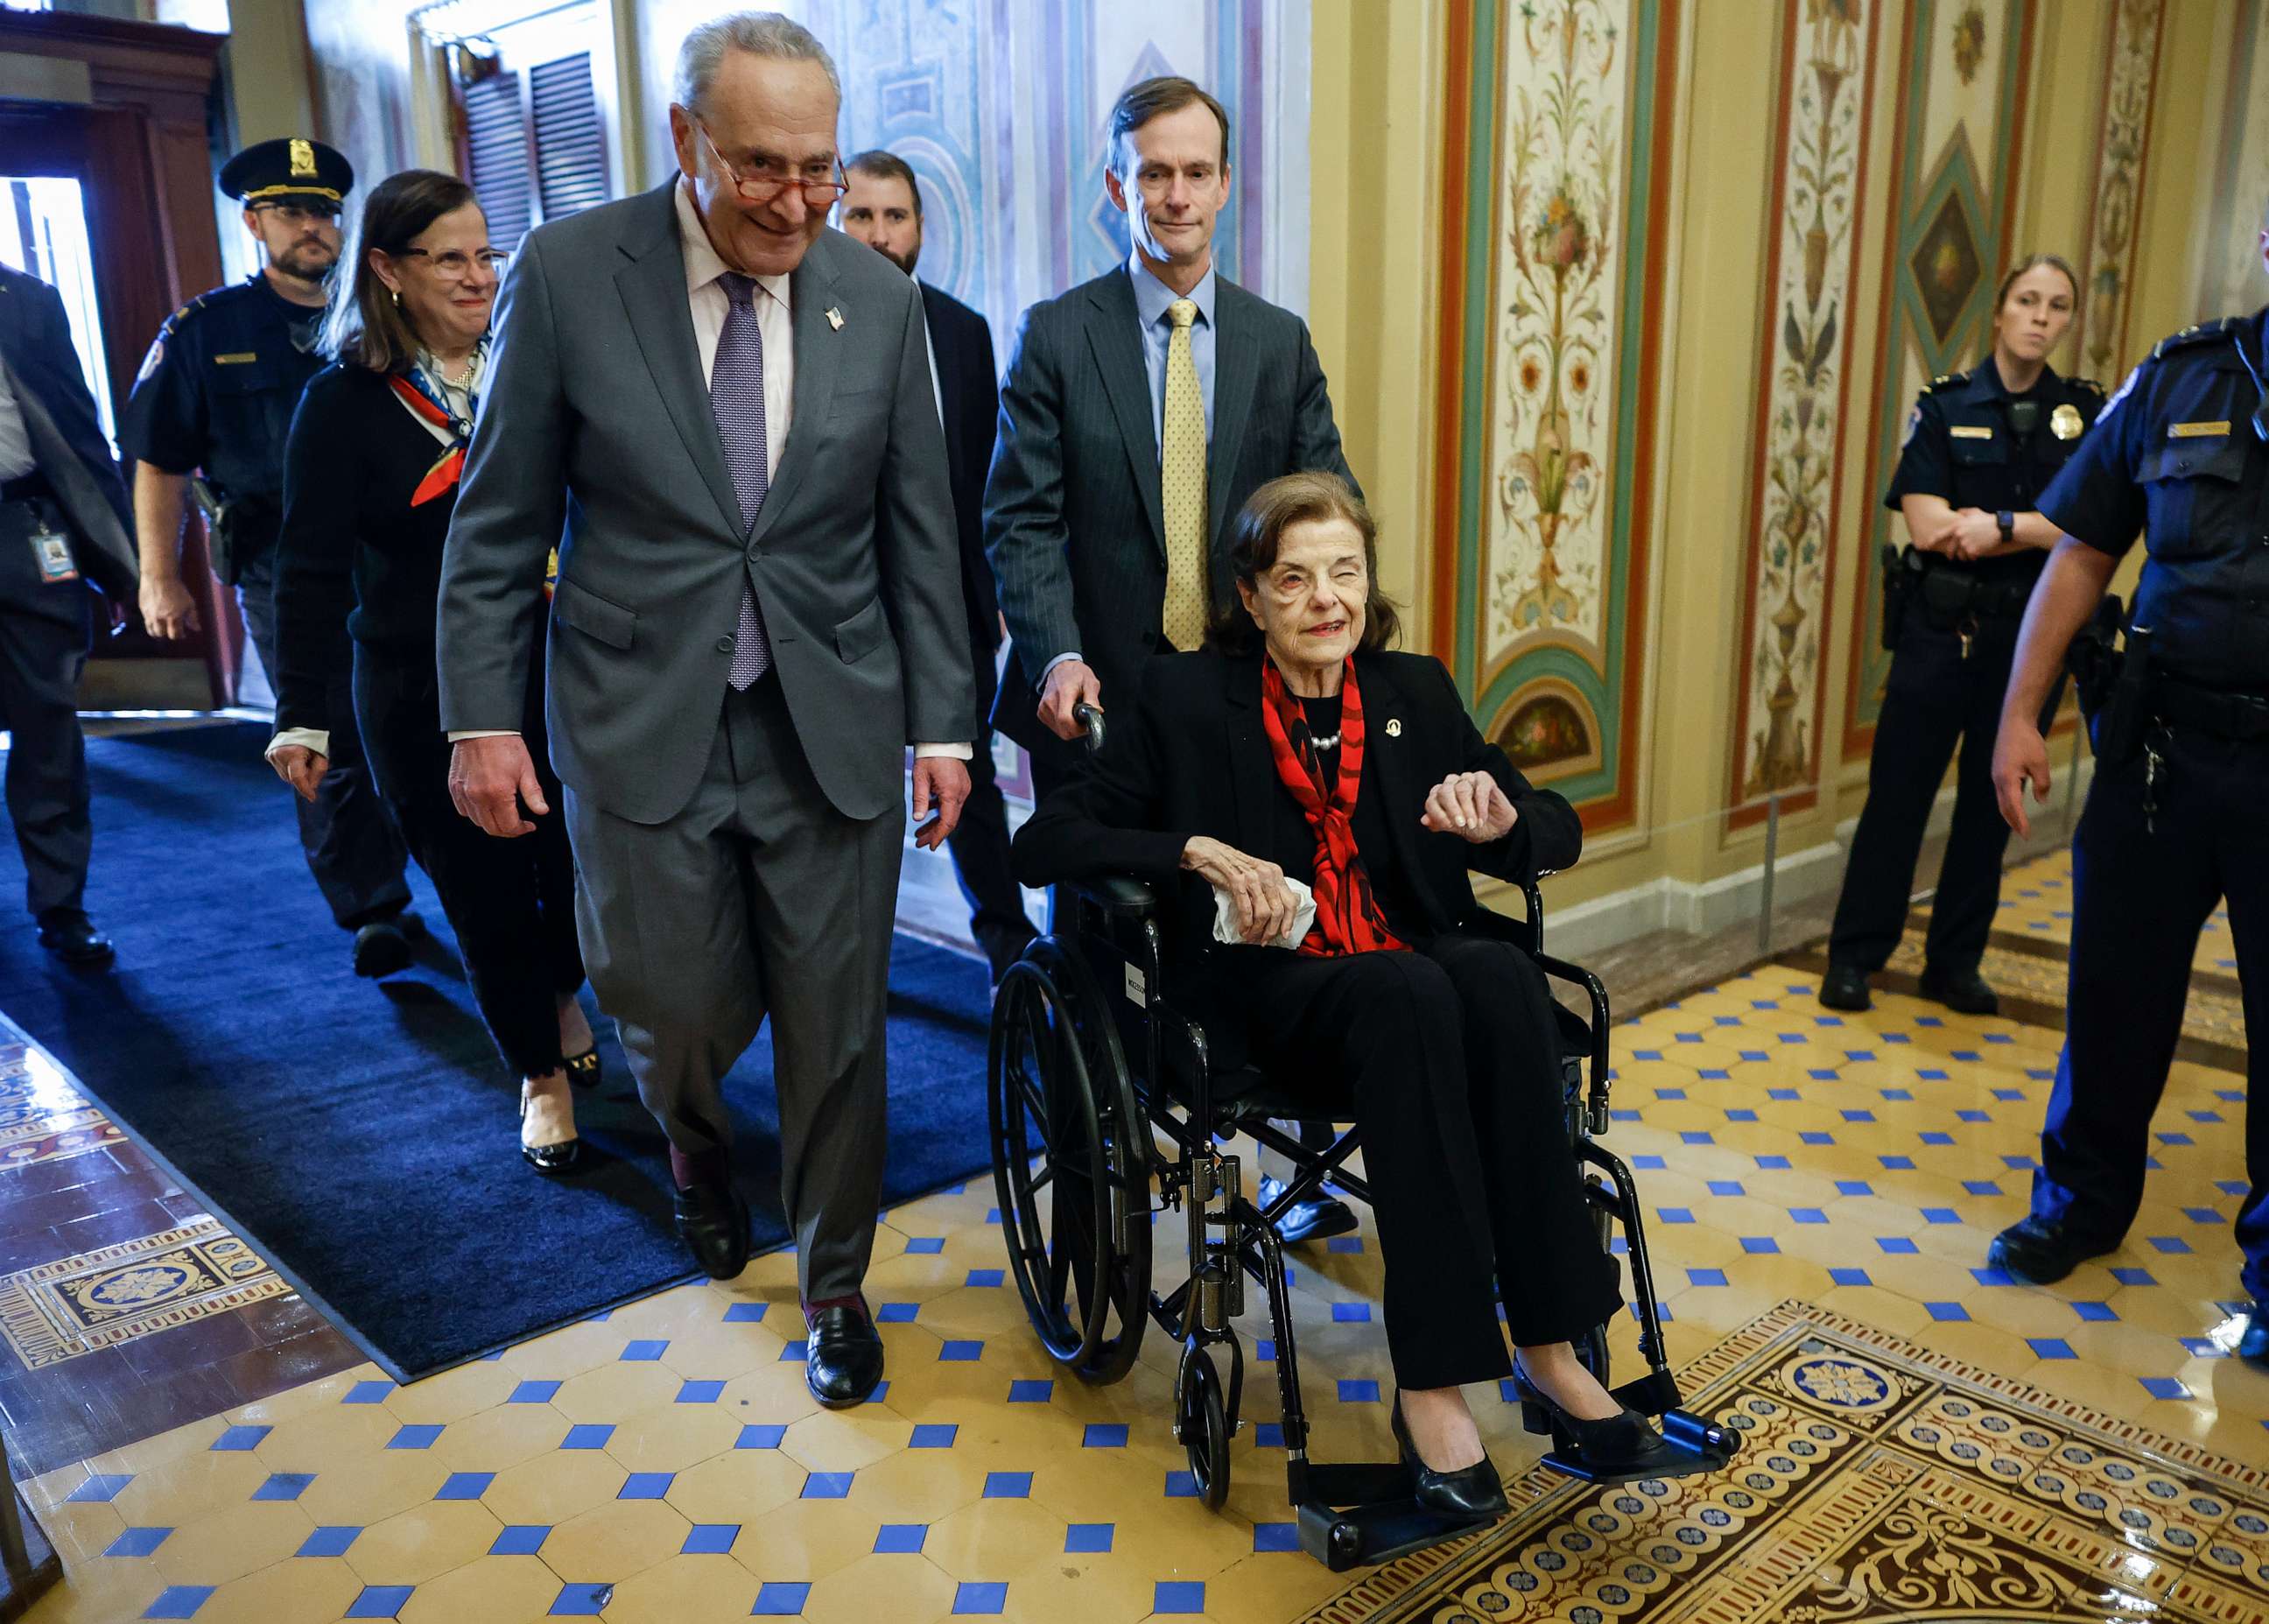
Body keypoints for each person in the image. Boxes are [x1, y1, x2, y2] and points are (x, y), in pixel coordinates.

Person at [438, 12, 975, 1411]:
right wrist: (480, 718)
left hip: (831, 716)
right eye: (763, 168)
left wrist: (946, 724)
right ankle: (691, 1138)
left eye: (821, 167)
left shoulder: (878, 296)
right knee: (670, 1003)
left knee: (838, 1019)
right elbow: (496, 524)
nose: (799, 201)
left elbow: (921, 531)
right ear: (687, 141)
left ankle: (838, 1280)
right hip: (636, 710)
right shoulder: (567, 276)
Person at [1014, 472, 1704, 1515]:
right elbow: (1046, 840)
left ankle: (1554, 1351)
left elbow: (1549, 823)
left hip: (1406, 983)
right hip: (1268, 1002)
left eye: (1345, 572)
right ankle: (1430, 1387)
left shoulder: (1411, 693)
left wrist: (1497, 822)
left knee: (1500, 979)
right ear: (1250, 597)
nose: (1325, 599)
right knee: (1412, 989)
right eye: (1294, 579)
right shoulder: (1182, 698)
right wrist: (1190, 849)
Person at [986, 74, 1359, 1243]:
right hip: (1089, 703)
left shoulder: (1278, 342)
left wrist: (1317, 624)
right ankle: (1098, 1176)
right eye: (1155, 171)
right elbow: (1022, 519)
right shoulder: (1061, 333)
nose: (1177, 192)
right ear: (1118, 188)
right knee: (1097, 942)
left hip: (1236, 701)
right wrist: (1051, 654)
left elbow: (1326, 502)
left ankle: (1248, 1169)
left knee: (1251, 921)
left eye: (1197, 170)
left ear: (1227, 185)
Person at [265, 171, 596, 1175]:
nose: (477, 277)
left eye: (487, 255)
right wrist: (301, 714)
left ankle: (561, 985)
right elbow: (311, 571)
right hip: (423, 690)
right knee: (484, 882)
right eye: (448, 258)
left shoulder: (533, 368)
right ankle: (538, 1073)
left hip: (558, 668)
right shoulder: (344, 403)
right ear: (387, 271)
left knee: (575, 871)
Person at [1987, 212, 2269, 1367]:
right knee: (2113, 994)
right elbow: (2085, 550)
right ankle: (2082, 1201)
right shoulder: (2183, 374)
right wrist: (2020, 707)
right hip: (2161, 750)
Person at [118, 137, 417, 978]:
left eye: (324, 210)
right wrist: (158, 571)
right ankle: (373, 908)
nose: (312, 228)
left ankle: (436, 879)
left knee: (413, 715)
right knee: (324, 726)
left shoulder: (380, 314)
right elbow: (160, 459)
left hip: (389, 552)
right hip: (280, 564)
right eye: (292, 212)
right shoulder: (206, 332)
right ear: (254, 223)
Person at [1820, 256, 2102, 1016]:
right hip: (1939, 633)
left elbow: (2088, 526)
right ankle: (1855, 956)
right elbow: (1926, 524)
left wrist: (1997, 525)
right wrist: (2035, 531)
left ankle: (1955, 963)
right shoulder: (1945, 406)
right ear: (2002, 311)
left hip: (2027, 643)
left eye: (2058, 305)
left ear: (2069, 320)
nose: (2042, 316)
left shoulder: (2082, 414)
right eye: (2028, 300)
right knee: (1897, 802)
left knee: (1992, 807)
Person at [839, 150, 1037, 982]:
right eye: (861, 215)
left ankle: (1004, 938)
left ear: (919, 227)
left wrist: (986, 593)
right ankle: (844, 957)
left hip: (949, 598)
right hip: (839, 600)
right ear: (831, 219)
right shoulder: (791, 327)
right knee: (849, 785)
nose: (879, 236)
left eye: (896, 216)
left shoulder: (961, 330)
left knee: (968, 769)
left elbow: (981, 475)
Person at [0, 265, 137, 965]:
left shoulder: (24, 297)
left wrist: (118, 556)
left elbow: (78, 427)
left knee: (47, 720)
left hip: (26, 525)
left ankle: (61, 906)